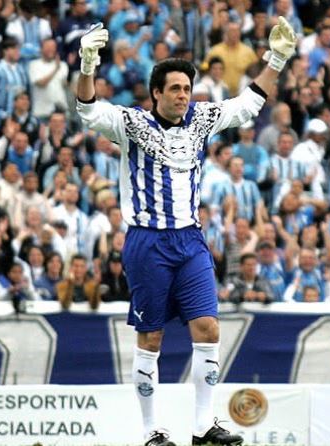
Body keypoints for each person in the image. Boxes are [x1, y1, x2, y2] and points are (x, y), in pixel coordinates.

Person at [75, 16, 297, 446]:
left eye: (187, 88)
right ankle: (150, 429)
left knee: (209, 329)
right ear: (156, 92)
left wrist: (278, 58)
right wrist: (87, 64)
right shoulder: (132, 124)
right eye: (175, 88)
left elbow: (248, 104)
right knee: (151, 337)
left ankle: (202, 426)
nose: (183, 95)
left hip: (191, 240)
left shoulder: (201, 119)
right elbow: (87, 109)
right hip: (146, 242)